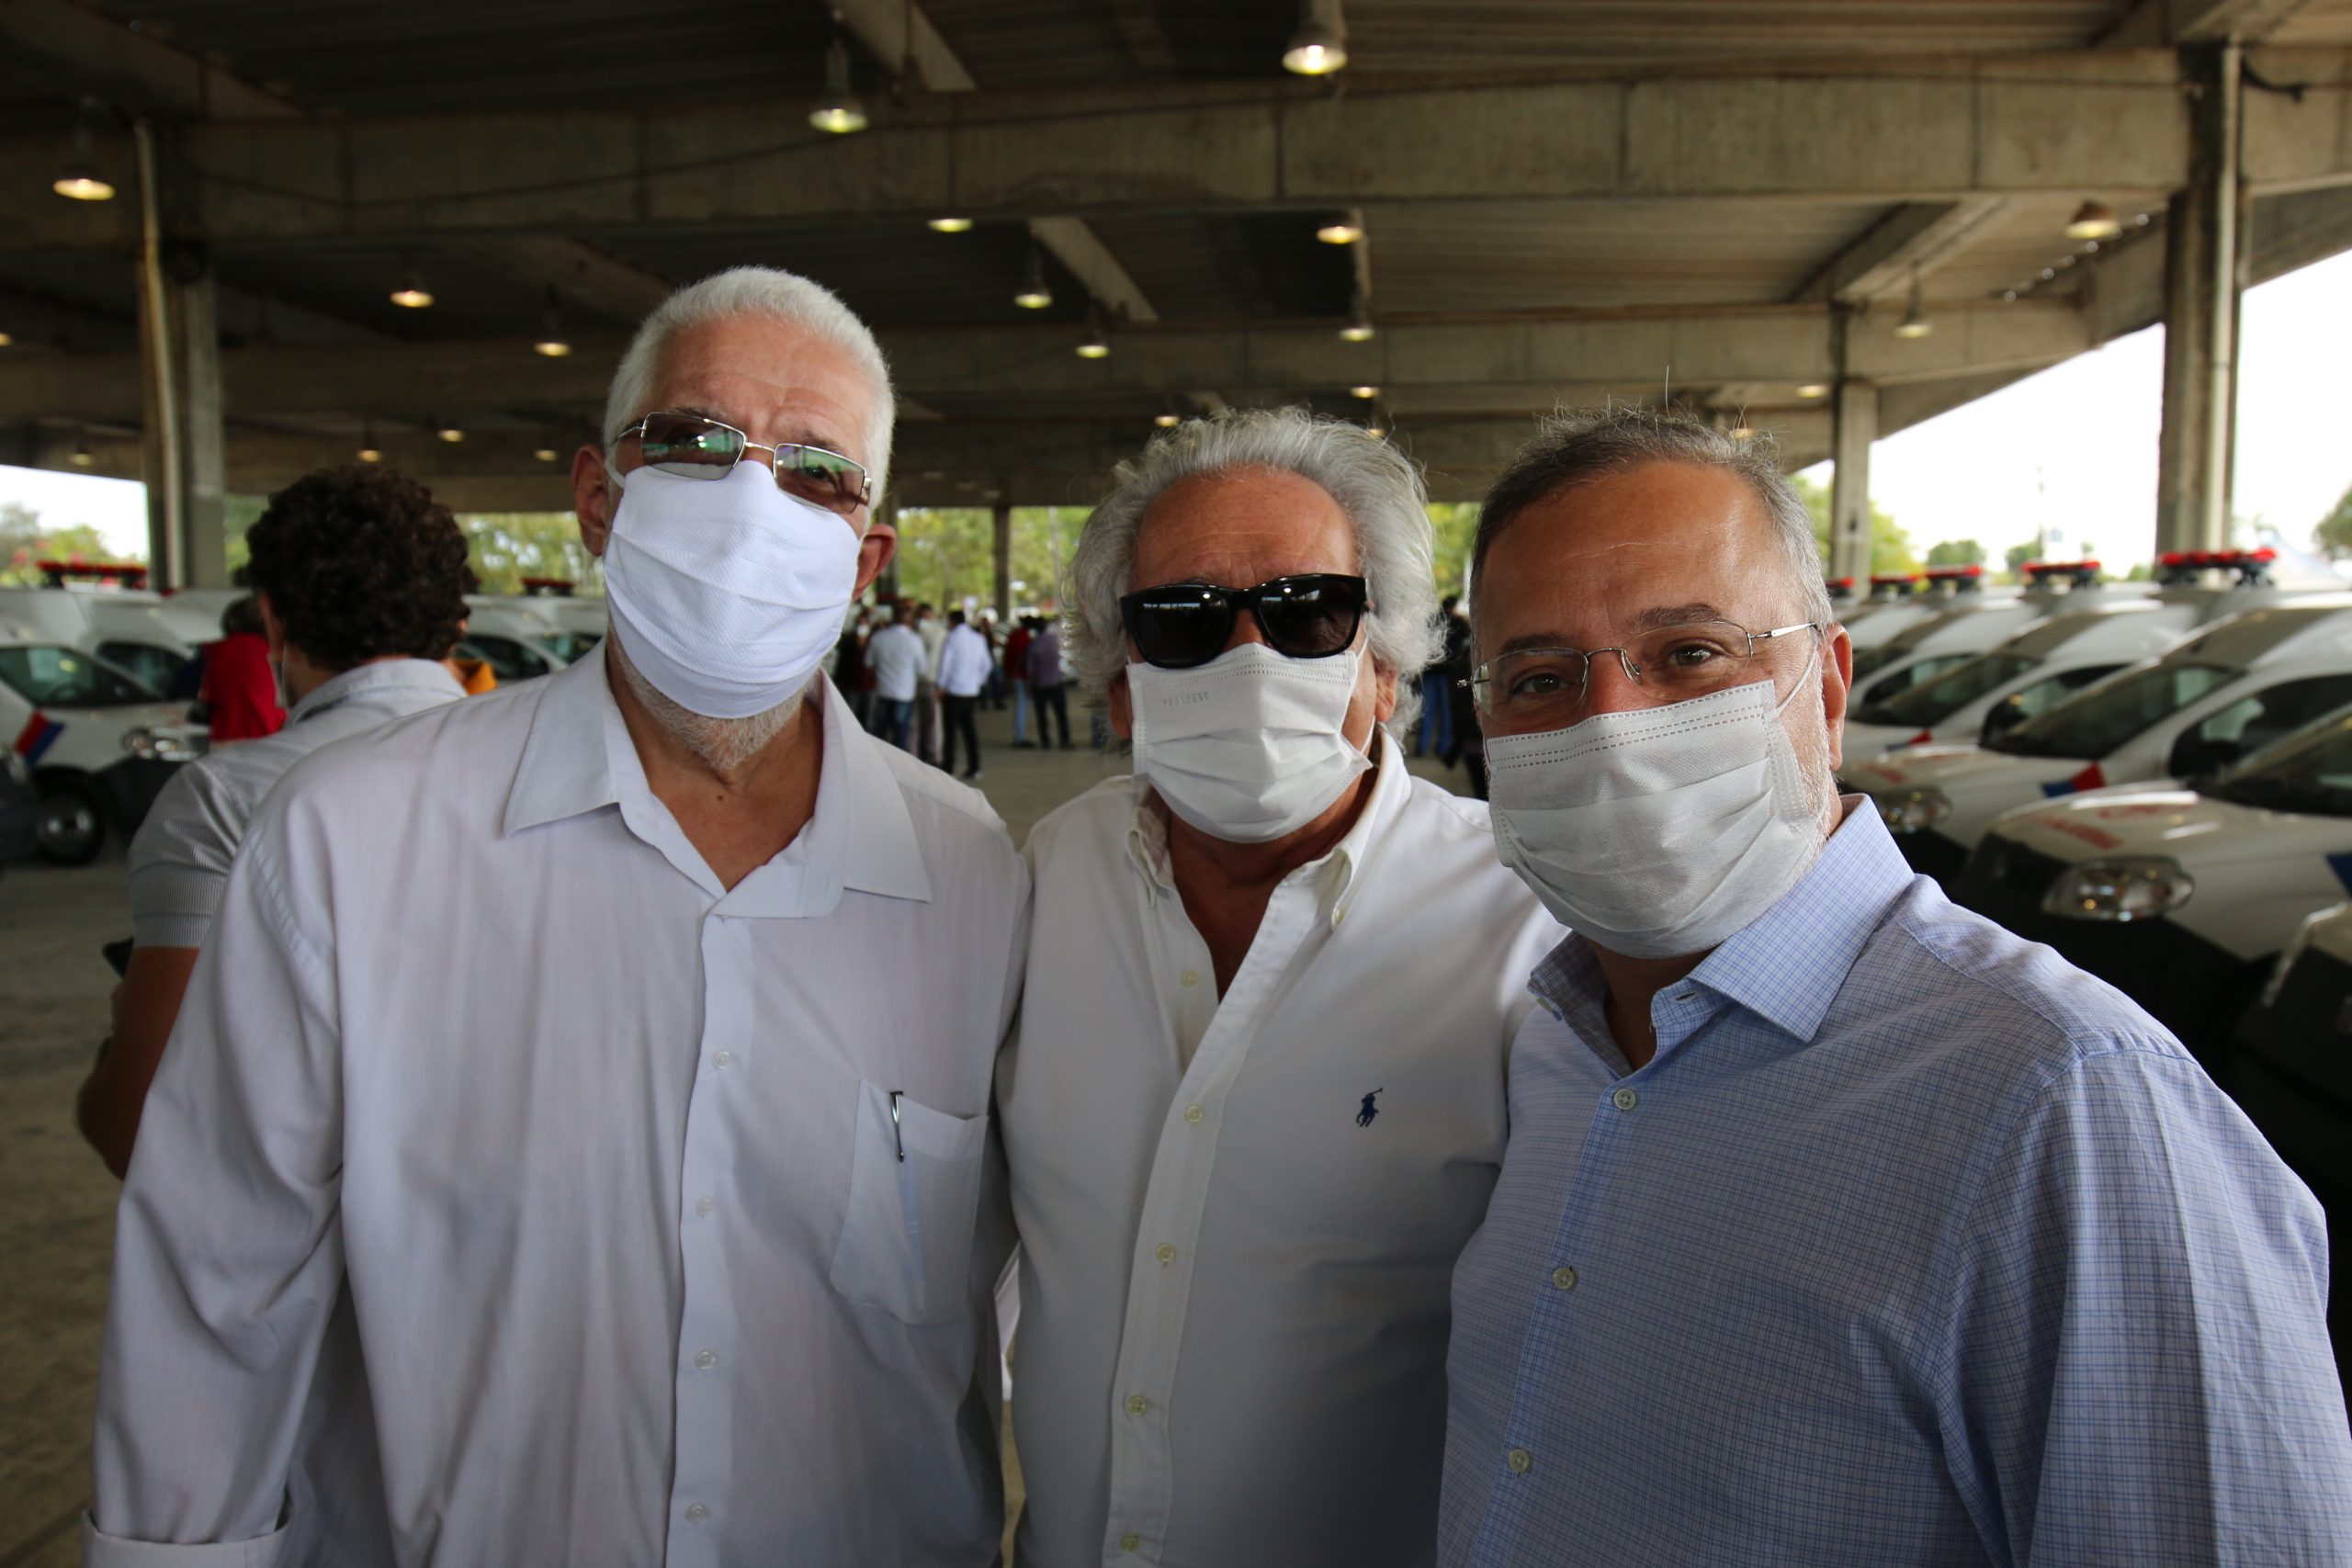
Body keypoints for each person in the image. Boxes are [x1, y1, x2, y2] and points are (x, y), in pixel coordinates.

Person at [86, 265, 1028, 1566]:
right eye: (694, 442)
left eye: (817, 471)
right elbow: (215, 1293)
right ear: (598, 500)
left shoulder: (971, 876)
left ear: (866, 557)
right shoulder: (353, 839)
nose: (751, 502)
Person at [1441, 406, 2352, 1564]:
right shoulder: (1553, 1046)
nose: (1612, 732)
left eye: (1692, 654)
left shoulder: (2068, 1107)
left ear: (1825, 690)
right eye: (1539, 677)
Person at [997, 408, 1561, 1568]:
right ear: (1120, 686)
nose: (1251, 659)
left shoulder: (1523, 925)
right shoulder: (1050, 876)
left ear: (1383, 671)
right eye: (1185, 621)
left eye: (1309, 613)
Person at [75, 466, 473, 1179]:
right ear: (456, 621)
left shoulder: (219, 799)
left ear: (274, 619)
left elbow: (140, 1128)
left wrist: (107, 1069)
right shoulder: (556, 767)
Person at [197, 594, 284, 742]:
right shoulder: (271, 652)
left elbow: (208, 695)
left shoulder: (217, 652)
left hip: (225, 735)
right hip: (267, 734)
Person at [934, 607, 990, 782]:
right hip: (970, 691)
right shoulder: (978, 638)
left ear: (952, 621)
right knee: (969, 730)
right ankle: (975, 767)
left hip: (953, 691)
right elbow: (987, 665)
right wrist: (977, 682)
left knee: (950, 731)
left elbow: (945, 664)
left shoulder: (952, 638)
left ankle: (949, 767)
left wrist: (941, 685)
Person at [865, 601, 925, 750]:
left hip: (883, 690)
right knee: (901, 735)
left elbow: (868, 663)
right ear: (910, 621)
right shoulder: (914, 640)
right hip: (904, 692)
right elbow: (922, 668)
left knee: (880, 735)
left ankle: (878, 762)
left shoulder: (879, 637)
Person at [1414, 597, 1454, 759]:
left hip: (1429, 672)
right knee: (1445, 712)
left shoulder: (1431, 622)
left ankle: (1422, 746)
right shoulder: (1456, 623)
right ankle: (1443, 747)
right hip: (1446, 674)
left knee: (1427, 710)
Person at [1026, 614, 1071, 750]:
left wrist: (1030, 686)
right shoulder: (1055, 640)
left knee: (1041, 715)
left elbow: (1031, 670)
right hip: (1056, 682)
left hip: (1040, 684)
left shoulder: (1034, 645)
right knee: (1061, 714)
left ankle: (1045, 741)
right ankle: (1064, 740)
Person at [913, 601, 946, 764]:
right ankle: (926, 753)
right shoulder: (914, 632)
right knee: (921, 721)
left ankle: (931, 754)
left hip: (929, 680)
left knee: (930, 720)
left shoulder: (936, 632)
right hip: (919, 681)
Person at [1004, 614, 1035, 748]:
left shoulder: (1014, 634)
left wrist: (1008, 675)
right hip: (1020, 677)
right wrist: (1014, 674)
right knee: (1021, 709)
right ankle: (1019, 738)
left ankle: (1019, 736)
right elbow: (1021, 657)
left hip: (1014, 676)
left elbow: (1007, 655)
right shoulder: (1024, 637)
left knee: (1019, 708)